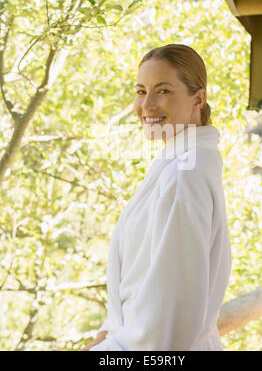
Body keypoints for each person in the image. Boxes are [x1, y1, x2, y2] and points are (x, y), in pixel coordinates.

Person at [83, 44, 232, 351]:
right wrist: (107, 334)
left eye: (163, 91)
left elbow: (164, 326)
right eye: (141, 91)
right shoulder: (182, 164)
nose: (146, 105)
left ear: (198, 98)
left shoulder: (183, 177)